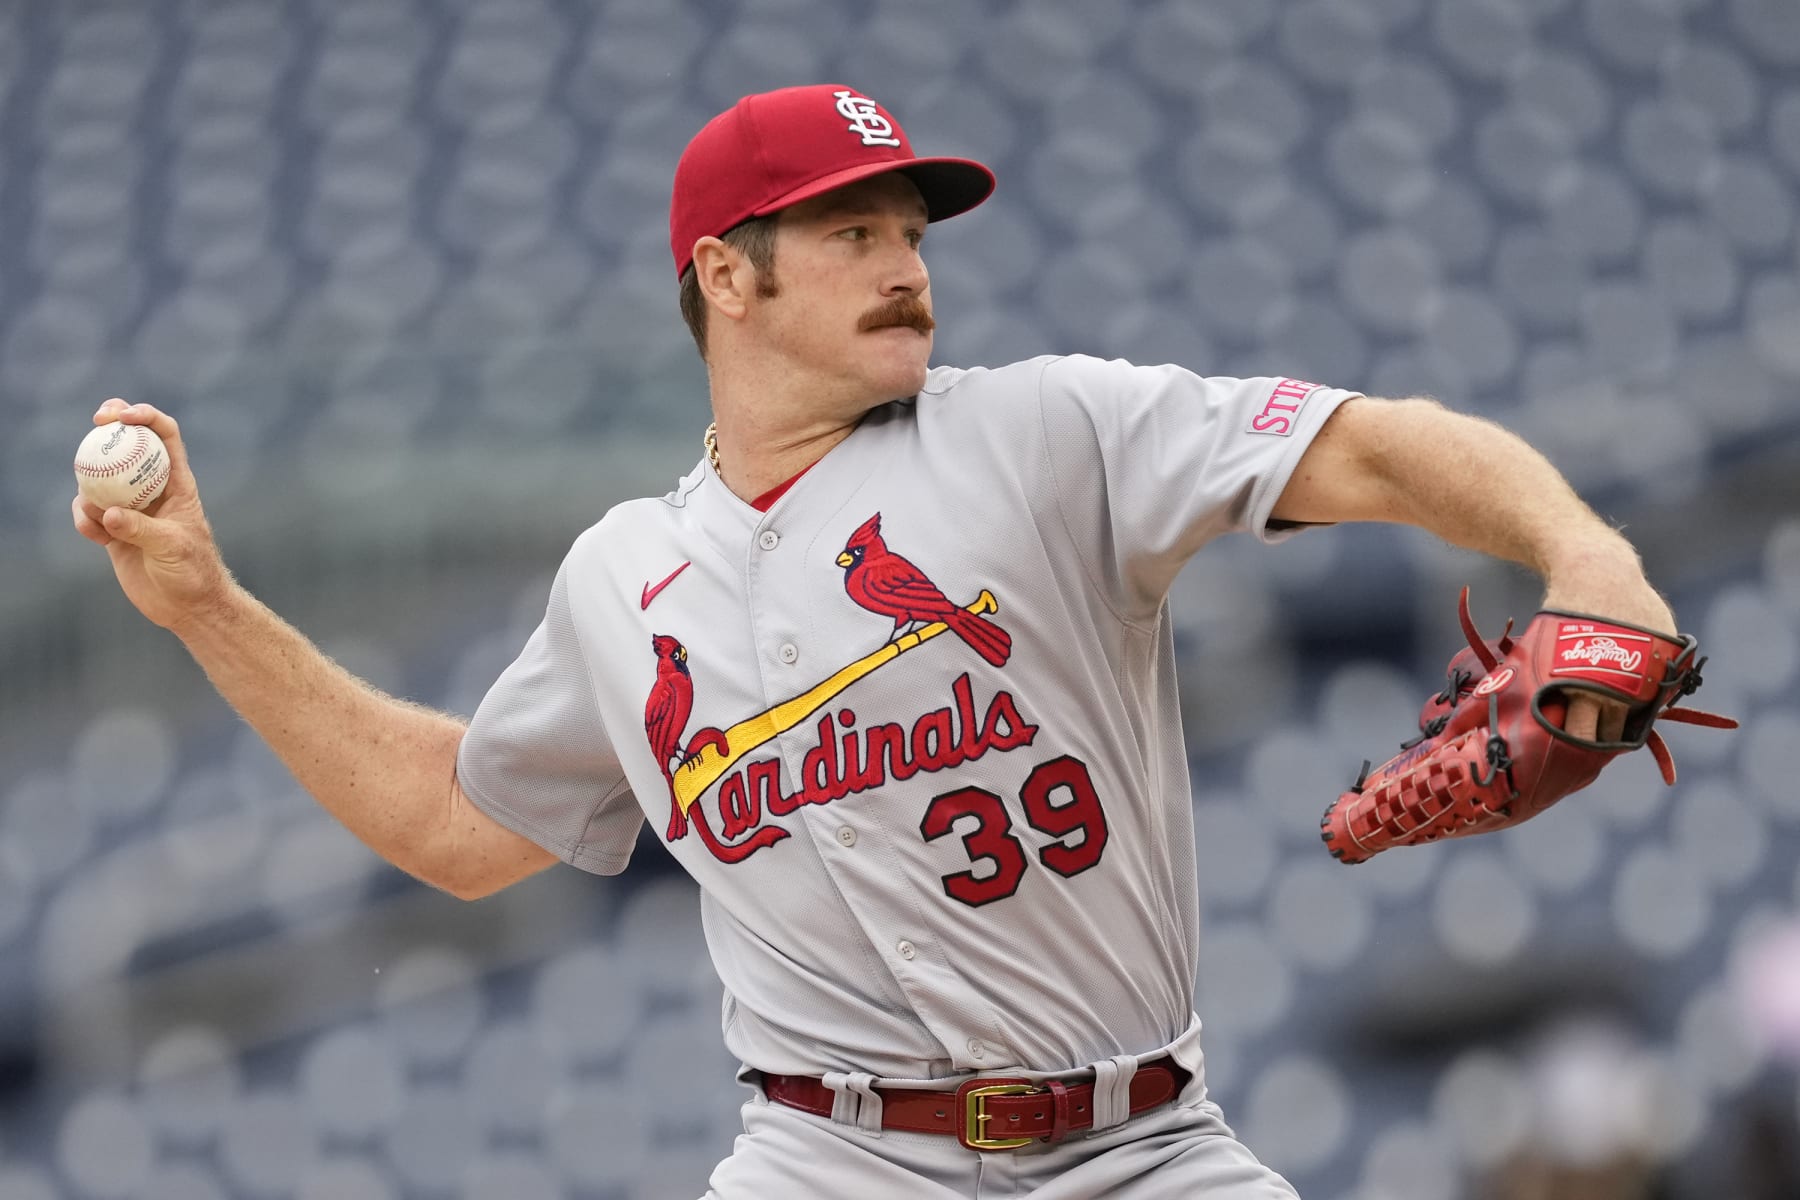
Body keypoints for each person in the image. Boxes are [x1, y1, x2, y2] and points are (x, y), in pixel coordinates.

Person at [74, 84, 1678, 1198]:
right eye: (851, 233)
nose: (910, 268)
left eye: (913, 230)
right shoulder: (623, 580)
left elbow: (1376, 444)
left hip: (1140, 1150)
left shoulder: (1051, 432)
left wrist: (1587, 552)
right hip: (830, 1160)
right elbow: (455, 826)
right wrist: (209, 608)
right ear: (725, 274)